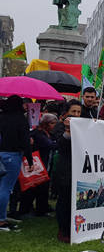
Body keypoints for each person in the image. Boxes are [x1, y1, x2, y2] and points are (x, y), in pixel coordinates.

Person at [0, 96, 33, 231]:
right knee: (6, 188)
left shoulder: (1, 116)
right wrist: (30, 159)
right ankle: (1, 220)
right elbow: (25, 141)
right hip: (12, 155)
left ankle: (2, 215)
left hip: (1, 153)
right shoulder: (20, 119)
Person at [19, 113, 58, 217]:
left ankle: (42, 208)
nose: (54, 125)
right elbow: (50, 145)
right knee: (33, 188)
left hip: (45, 164)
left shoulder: (49, 134)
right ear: (46, 123)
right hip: (38, 163)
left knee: (43, 188)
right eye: (52, 123)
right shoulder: (39, 134)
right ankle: (27, 209)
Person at [54, 100, 81, 242]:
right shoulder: (60, 126)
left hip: (79, 169)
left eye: (78, 112)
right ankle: (63, 230)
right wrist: (68, 131)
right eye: (73, 112)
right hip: (65, 169)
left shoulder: (83, 127)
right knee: (64, 200)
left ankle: (73, 228)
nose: (76, 115)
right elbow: (60, 145)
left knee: (74, 201)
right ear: (66, 113)